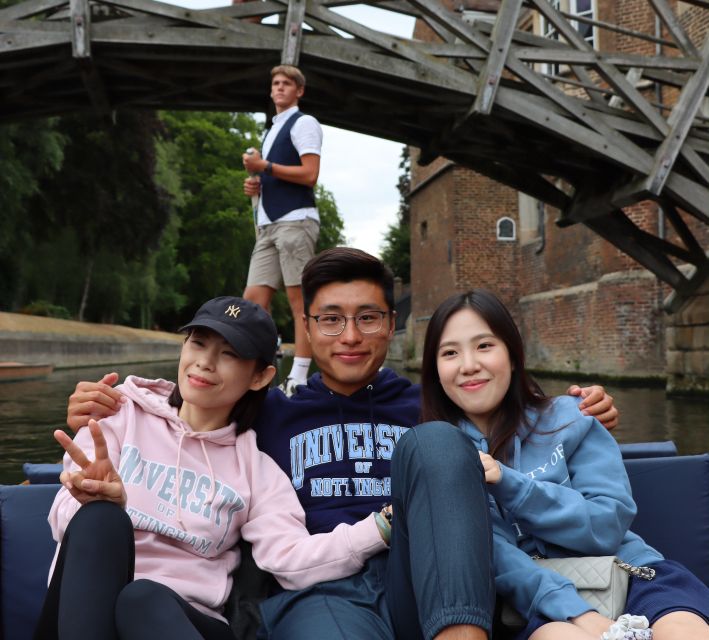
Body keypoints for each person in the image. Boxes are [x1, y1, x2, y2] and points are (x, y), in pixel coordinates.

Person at [65, 248, 618, 639]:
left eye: (367, 318)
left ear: (391, 324)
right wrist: (111, 409)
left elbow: (514, 413)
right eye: (330, 320)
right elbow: (199, 410)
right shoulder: (268, 411)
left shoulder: (438, 400)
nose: (349, 336)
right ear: (306, 327)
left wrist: (579, 413)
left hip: (424, 578)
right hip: (320, 590)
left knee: (438, 444)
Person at [36, 296, 391, 640]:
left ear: (260, 377)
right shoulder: (118, 416)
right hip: (79, 616)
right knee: (102, 519)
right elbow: (62, 523)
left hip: (180, 620)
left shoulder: (256, 469)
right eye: (198, 343)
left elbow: (292, 561)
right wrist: (93, 500)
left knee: (142, 599)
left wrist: (380, 526)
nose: (205, 362)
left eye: (229, 354)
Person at [417, 288, 709, 640]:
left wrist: (509, 483)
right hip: (536, 605)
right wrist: (575, 611)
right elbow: (494, 557)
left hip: (634, 574)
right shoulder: (440, 456)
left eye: (484, 346)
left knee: (685, 632)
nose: (468, 365)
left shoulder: (573, 416)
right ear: (435, 369)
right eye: (450, 353)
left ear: (512, 355)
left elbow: (607, 527)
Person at [242, 64, 322, 395]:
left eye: (286, 84)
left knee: (299, 301)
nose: (278, 88)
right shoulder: (273, 128)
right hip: (269, 226)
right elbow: (275, 174)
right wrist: (257, 185)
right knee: (252, 303)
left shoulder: (304, 123)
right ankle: (261, 367)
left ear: (298, 91)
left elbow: (310, 173)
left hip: (294, 220)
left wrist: (266, 167)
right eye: (275, 83)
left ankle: (298, 377)